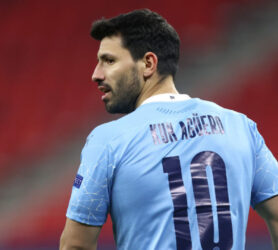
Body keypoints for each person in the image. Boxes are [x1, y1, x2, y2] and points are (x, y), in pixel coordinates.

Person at [60, 9, 278, 250]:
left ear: (148, 64)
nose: (96, 74)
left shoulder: (109, 140)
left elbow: (76, 245)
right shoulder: (240, 127)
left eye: (109, 61)